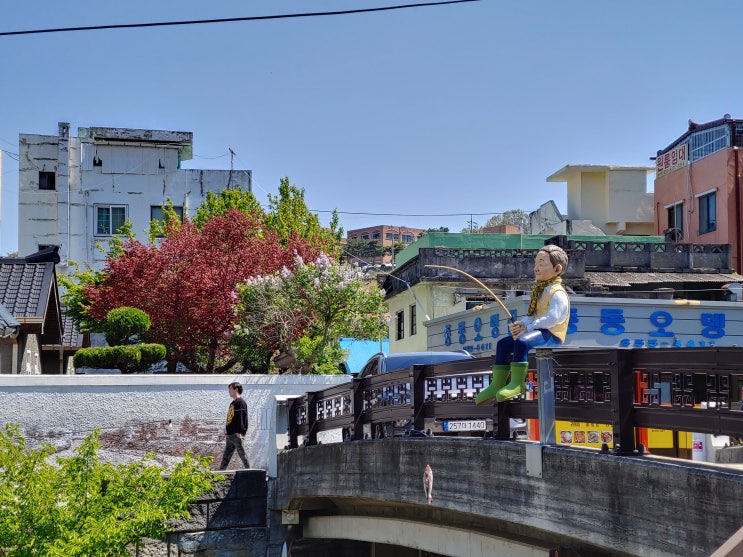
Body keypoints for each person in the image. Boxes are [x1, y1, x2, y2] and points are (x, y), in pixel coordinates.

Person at [476, 244, 570, 405]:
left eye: (542, 263)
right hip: (539, 329)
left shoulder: (558, 293)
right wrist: (521, 324)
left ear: (557, 269)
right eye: (536, 264)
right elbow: (532, 314)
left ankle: (518, 383)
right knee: (504, 344)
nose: (536, 268)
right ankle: (497, 384)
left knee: (522, 341)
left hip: (552, 334)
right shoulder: (541, 290)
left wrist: (528, 328)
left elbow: (552, 319)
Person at [219, 381, 250, 470]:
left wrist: (240, 432)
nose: (229, 391)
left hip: (236, 434)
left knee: (242, 453)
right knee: (227, 455)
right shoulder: (233, 403)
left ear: (236, 389)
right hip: (230, 434)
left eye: (230, 389)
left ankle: (249, 470)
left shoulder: (240, 402)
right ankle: (221, 471)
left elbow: (241, 418)